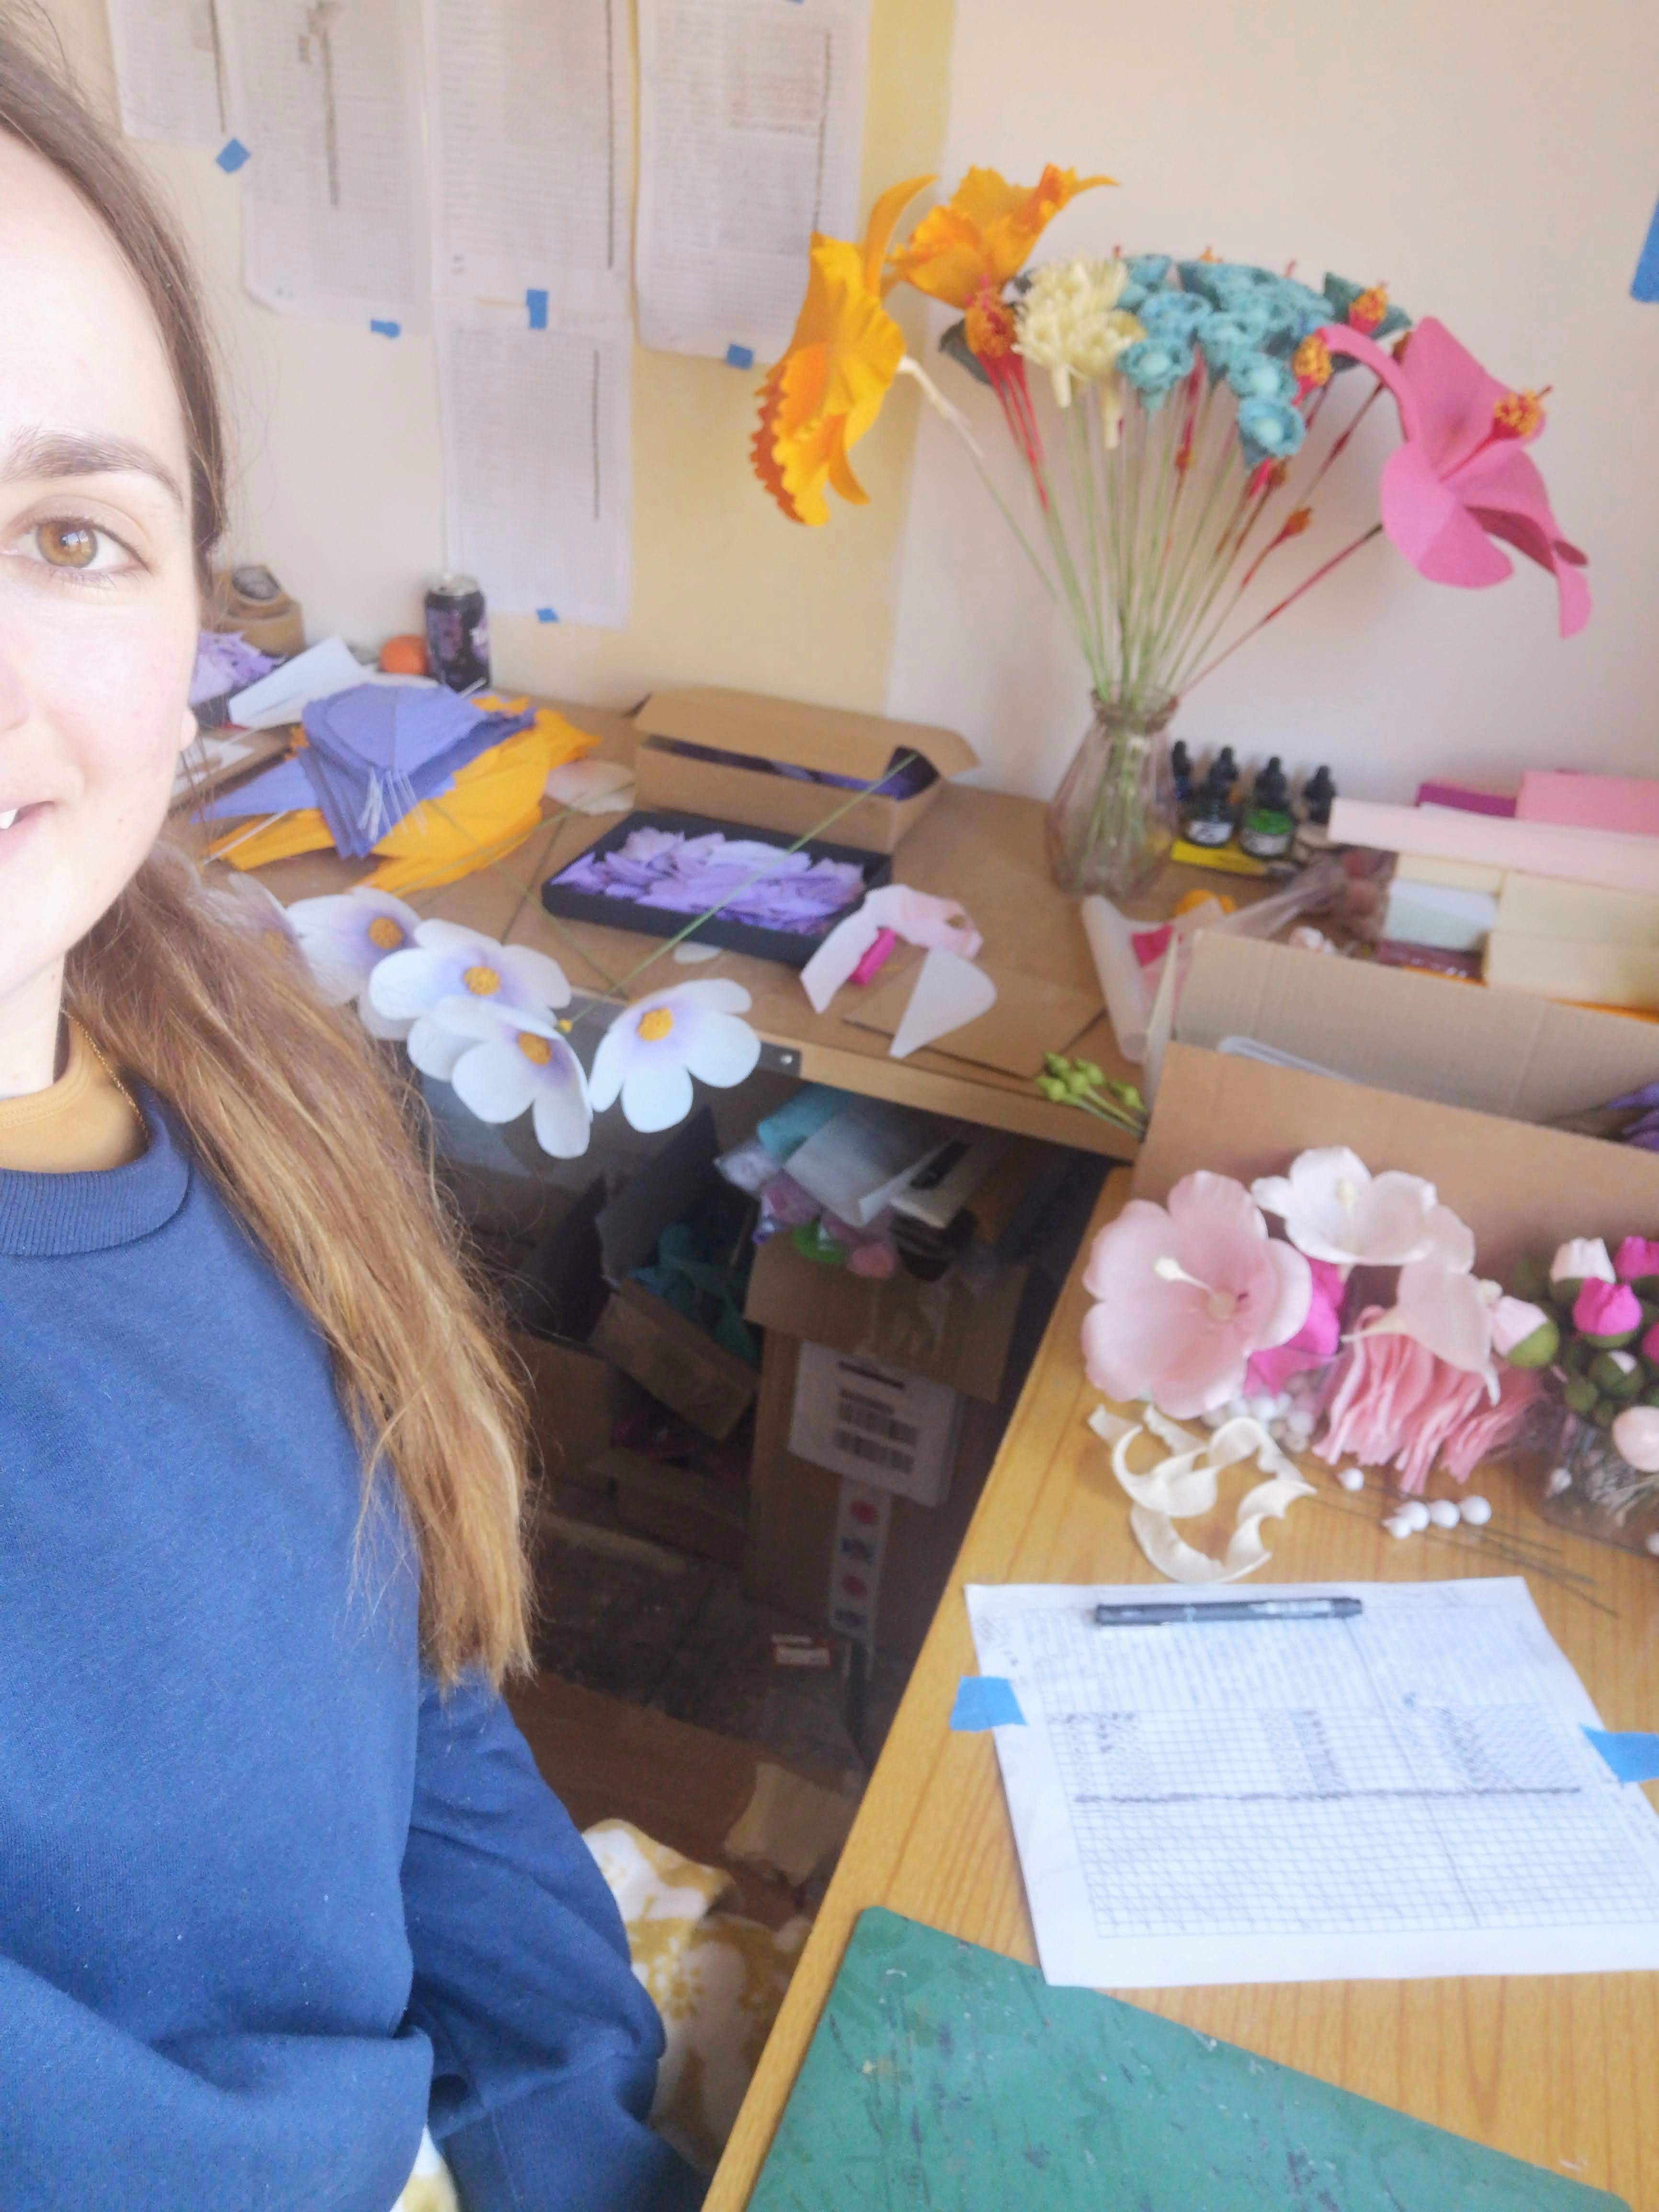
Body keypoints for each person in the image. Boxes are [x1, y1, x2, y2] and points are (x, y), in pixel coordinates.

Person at [0, 25, 702, 2211]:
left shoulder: (229, 1057)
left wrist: (571, 2128)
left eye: (66, 533)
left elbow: (412, 1699)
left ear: (201, 604)